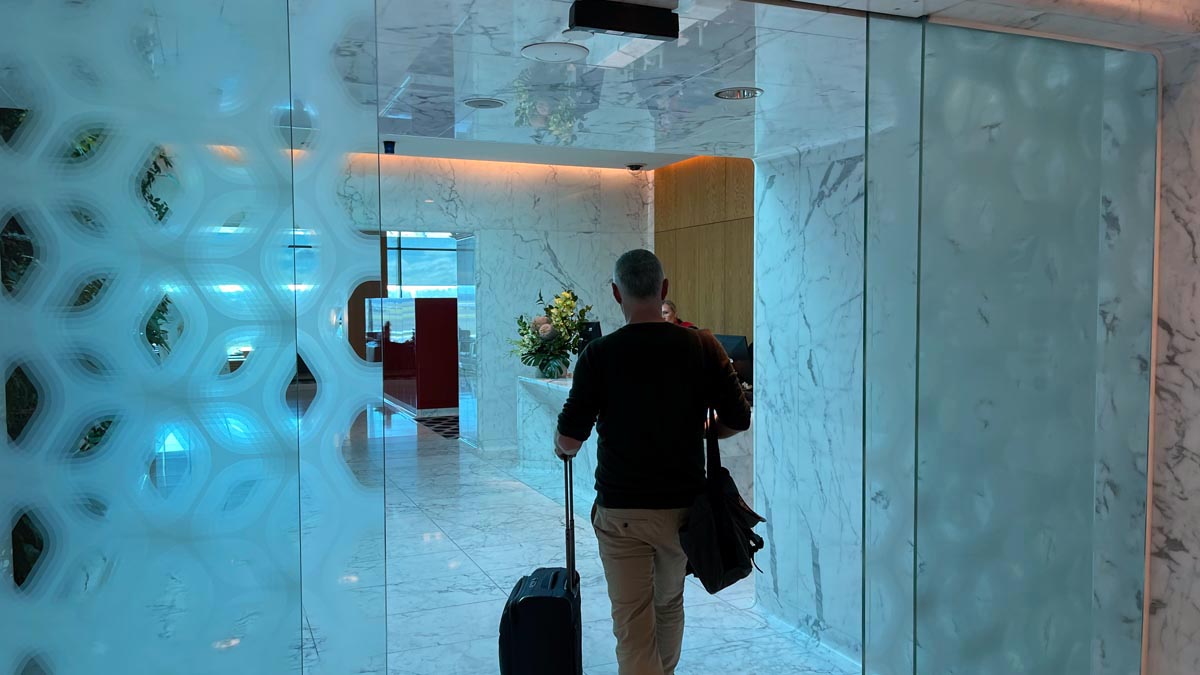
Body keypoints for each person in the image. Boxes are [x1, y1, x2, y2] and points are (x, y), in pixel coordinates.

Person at [555, 249, 752, 675]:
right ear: (664, 289)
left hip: (622, 511)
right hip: (684, 512)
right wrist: (702, 431)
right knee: (668, 604)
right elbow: (738, 419)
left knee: (632, 621)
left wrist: (563, 448)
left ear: (615, 293)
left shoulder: (599, 355)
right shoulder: (702, 345)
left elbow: (570, 437)